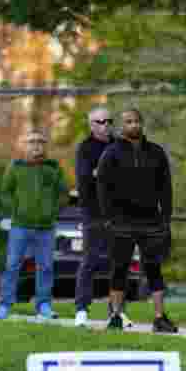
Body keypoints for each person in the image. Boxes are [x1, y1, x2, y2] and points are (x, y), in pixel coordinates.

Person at [96, 107, 178, 333]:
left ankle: (160, 317)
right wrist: (109, 217)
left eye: (136, 121)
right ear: (122, 126)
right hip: (120, 221)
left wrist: (165, 218)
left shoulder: (156, 152)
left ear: (142, 124)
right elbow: (102, 186)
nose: (133, 125)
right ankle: (115, 316)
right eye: (128, 122)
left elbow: (165, 187)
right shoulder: (111, 153)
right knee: (119, 269)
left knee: (153, 268)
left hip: (151, 220)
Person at [0, 129, 69, 320]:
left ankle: (44, 304)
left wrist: (52, 211)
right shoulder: (16, 166)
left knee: (45, 266)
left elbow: (63, 194)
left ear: (45, 146)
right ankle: (5, 304)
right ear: (24, 146)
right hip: (20, 225)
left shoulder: (53, 168)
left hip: (46, 227)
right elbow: (5, 192)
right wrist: (15, 210)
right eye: (32, 142)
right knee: (12, 265)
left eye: (40, 142)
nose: (36, 145)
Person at [73, 107, 115, 327]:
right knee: (90, 260)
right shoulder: (85, 148)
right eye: (100, 121)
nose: (105, 125)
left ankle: (115, 311)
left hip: (117, 213)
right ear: (91, 124)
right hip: (93, 212)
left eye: (109, 121)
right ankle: (81, 308)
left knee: (118, 263)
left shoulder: (119, 145)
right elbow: (84, 180)